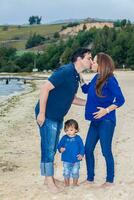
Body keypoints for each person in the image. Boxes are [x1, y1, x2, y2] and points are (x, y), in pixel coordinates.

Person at [35, 48, 92, 193]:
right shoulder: (66, 71)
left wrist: (89, 103)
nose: (91, 61)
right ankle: (49, 180)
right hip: (47, 114)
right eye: (89, 58)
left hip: (57, 116)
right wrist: (41, 113)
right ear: (79, 59)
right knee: (48, 148)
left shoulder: (75, 76)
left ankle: (49, 178)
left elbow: (71, 98)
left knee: (51, 147)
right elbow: (45, 88)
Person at [81, 52, 125, 187]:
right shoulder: (96, 77)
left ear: (102, 64)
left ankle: (109, 180)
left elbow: (121, 99)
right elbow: (85, 90)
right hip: (95, 121)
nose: (92, 63)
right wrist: (79, 75)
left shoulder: (110, 79)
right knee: (88, 149)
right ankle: (90, 179)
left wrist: (106, 110)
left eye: (94, 61)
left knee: (106, 150)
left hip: (106, 121)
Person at [58, 119, 84, 187]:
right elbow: (59, 145)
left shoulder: (78, 138)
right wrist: (60, 149)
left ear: (76, 130)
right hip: (66, 160)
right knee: (66, 172)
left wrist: (81, 154)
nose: (69, 132)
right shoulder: (64, 138)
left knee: (75, 172)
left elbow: (82, 147)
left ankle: (75, 183)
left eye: (71, 130)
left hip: (76, 160)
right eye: (67, 130)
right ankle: (67, 184)